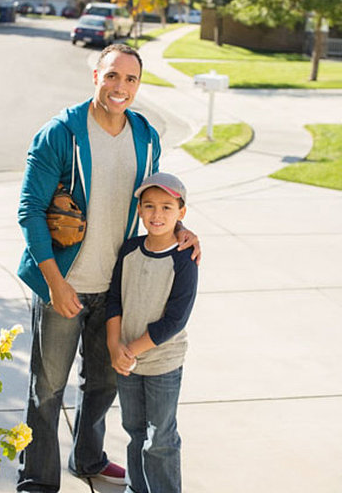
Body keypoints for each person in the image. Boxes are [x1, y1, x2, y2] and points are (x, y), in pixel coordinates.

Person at [16, 44, 200, 493]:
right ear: (96, 75)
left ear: (138, 85)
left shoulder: (146, 135)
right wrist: (55, 284)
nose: (121, 87)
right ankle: (37, 480)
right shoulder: (60, 133)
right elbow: (30, 210)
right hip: (67, 282)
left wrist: (182, 230)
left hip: (117, 289)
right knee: (49, 391)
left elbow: (153, 201)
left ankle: (89, 457)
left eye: (131, 79)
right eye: (113, 76)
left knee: (102, 384)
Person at [106, 172, 198, 493]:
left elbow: (175, 319)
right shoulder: (130, 250)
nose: (157, 215)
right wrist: (115, 346)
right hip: (127, 362)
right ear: (140, 211)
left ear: (181, 213)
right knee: (133, 430)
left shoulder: (185, 258)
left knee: (160, 437)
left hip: (162, 363)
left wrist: (131, 348)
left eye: (166, 208)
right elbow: (114, 299)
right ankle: (137, 488)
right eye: (149, 206)